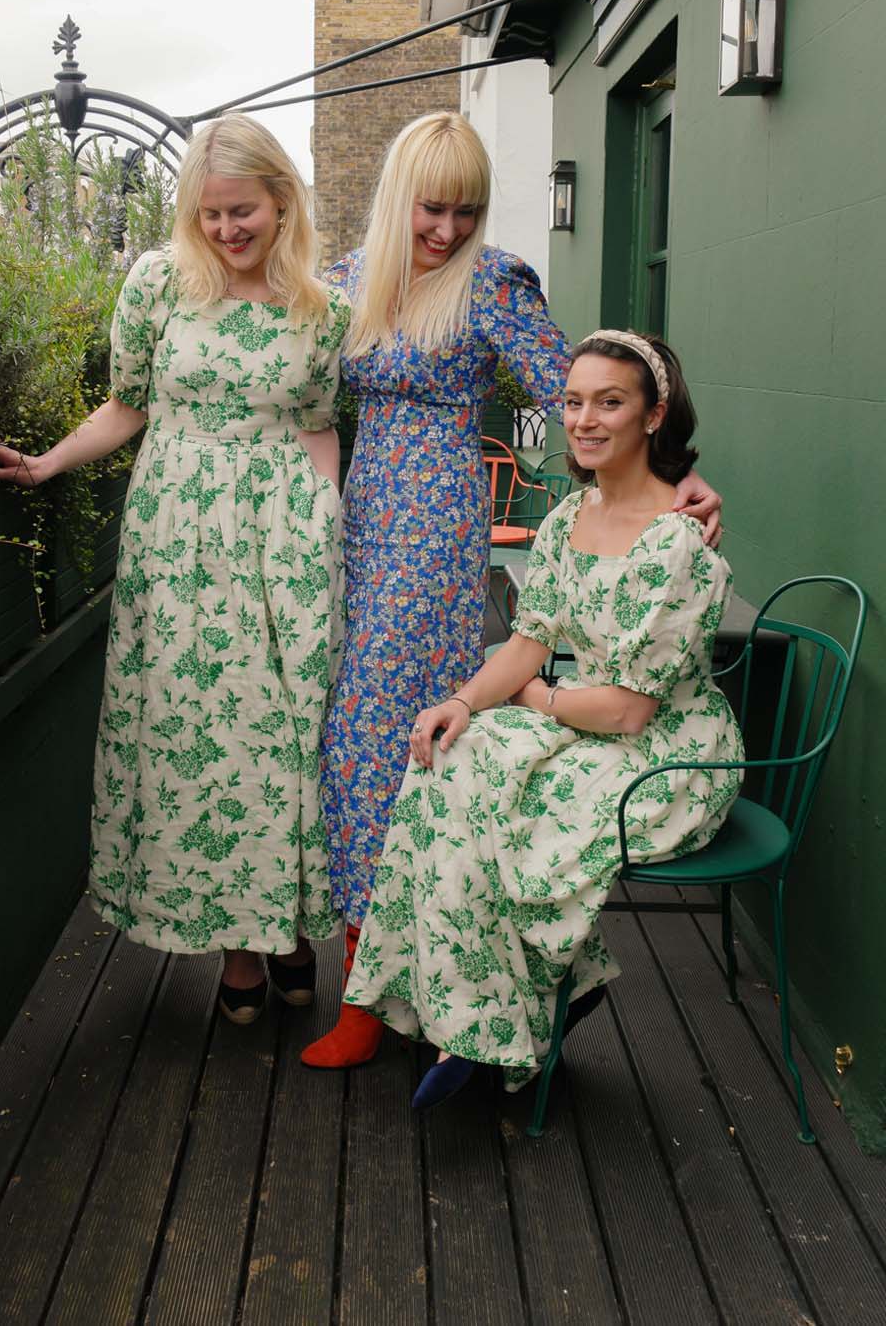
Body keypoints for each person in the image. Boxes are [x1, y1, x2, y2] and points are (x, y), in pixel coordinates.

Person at [301, 115, 723, 1070]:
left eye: (467, 210)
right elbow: (287, 389)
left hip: (433, 527)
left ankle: (392, 996)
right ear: (396, 192)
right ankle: (401, 975)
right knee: (357, 733)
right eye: (431, 207)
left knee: (389, 731)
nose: (447, 230)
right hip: (351, 521)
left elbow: (582, 390)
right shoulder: (344, 284)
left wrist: (673, 478)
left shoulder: (493, 283)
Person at [0, 115, 351, 1025]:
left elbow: (316, 425)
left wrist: (328, 522)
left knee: (282, 736)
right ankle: (236, 949)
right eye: (212, 212)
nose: (228, 230)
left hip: (283, 541)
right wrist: (45, 464)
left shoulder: (323, 308)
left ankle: (286, 929)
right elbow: (127, 404)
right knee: (200, 741)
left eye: (245, 212)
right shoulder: (157, 285)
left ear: (282, 202)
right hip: (178, 539)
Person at [344, 330, 743, 1109]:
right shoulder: (568, 517)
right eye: (573, 401)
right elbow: (529, 646)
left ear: (654, 415)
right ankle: (475, 1017)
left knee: (517, 814)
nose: (586, 419)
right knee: (448, 760)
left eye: (611, 402)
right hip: (581, 718)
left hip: (665, 754)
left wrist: (540, 703)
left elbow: (630, 711)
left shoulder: (680, 543)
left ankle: (504, 1019)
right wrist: (460, 702)